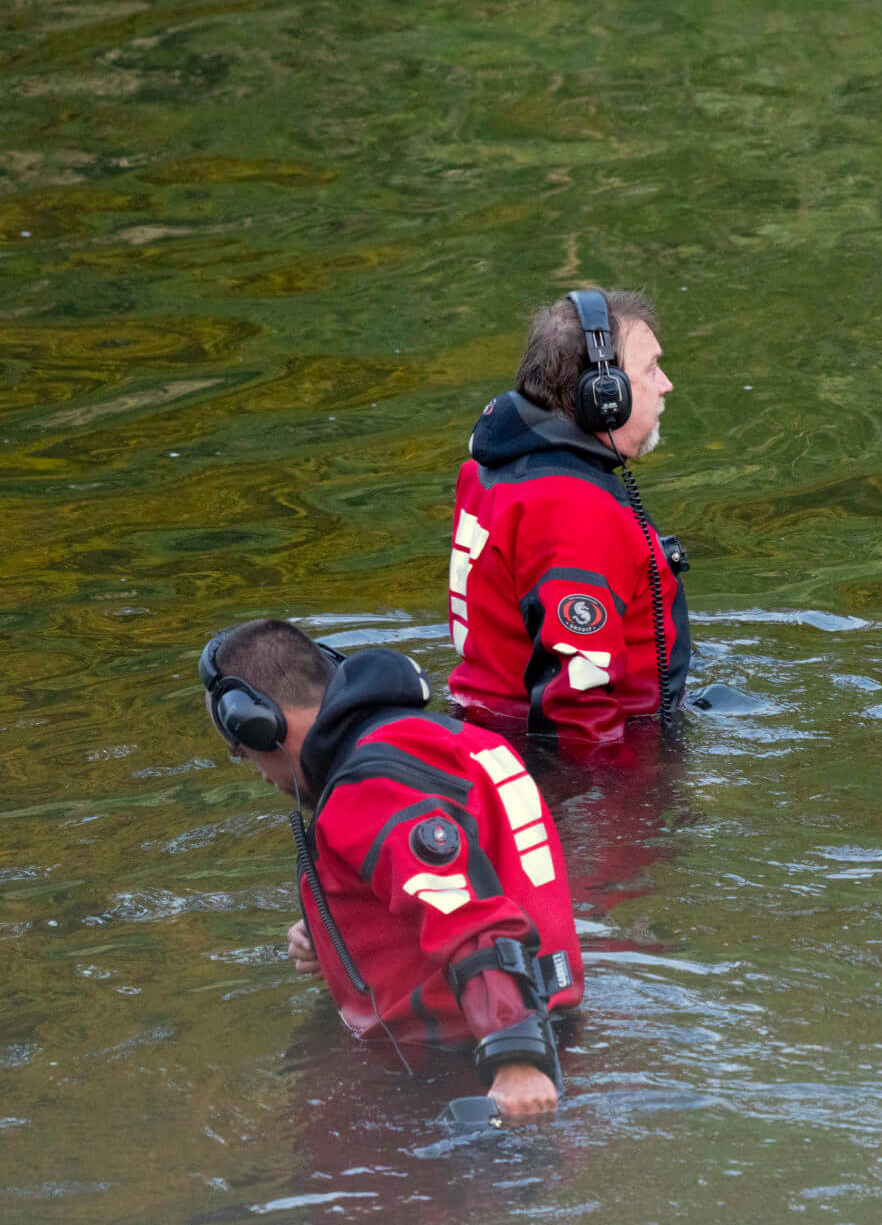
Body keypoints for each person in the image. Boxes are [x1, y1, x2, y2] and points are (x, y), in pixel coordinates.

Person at [199, 619, 583, 1121]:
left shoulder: (368, 788)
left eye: (242, 752)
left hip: (471, 1076)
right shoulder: (448, 740)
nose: (257, 770)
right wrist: (336, 934)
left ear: (258, 723)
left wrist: (515, 1058)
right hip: (549, 1032)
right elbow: (481, 874)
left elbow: (468, 915)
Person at [448, 288, 691, 744]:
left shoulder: (493, 471)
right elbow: (575, 705)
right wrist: (608, 802)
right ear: (605, 395)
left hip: (490, 726)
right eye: (651, 368)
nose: (665, 384)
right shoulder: (575, 511)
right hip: (590, 759)